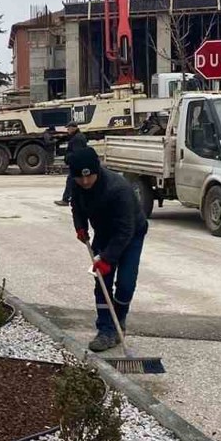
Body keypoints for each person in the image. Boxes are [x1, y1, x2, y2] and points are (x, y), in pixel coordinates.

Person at [67, 147, 148, 352]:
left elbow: (125, 230)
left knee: (126, 283)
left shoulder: (118, 188)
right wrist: (80, 226)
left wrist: (107, 259)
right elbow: (76, 206)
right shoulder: (76, 185)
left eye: (89, 177)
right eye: (79, 178)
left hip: (131, 235)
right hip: (103, 233)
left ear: (97, 170)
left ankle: (118, 321)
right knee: (102, 282)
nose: (85, 182)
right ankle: (105, 330)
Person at [55, 122, 89, 206]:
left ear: (74, 128)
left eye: (68, 128)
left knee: (71, 181)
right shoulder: (78, 136)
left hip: (77, 164)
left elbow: (77, 152)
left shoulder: (77, 138)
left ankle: (65, 200)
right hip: (80, 163)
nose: (67, 130)